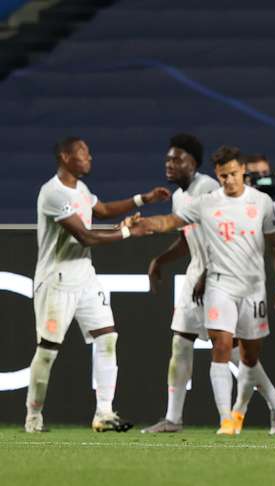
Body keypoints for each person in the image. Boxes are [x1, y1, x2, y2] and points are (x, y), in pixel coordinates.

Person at [133, 145, 275, 435]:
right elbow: (174, 223)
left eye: (232, 174)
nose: (228, 181)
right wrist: (147, 224)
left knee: (246, 356)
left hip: (250, 286)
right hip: (217, 281)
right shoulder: (205, 199)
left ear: (243, 171)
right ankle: (224, 420)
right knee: (213, 346)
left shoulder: (260, 202)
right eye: (223, 176)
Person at [25, 137, 169, 433]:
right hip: (57, 280)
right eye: (83, 153)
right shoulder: (52, 193)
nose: (90, 158)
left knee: (107, 338)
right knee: (48, 351)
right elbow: (87, 237)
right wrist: (128, 234)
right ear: (65, 157)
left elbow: (102, 210)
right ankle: (33, 415)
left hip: (85, 276)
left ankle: (103, 412)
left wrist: (144, 199)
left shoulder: (81, 189)